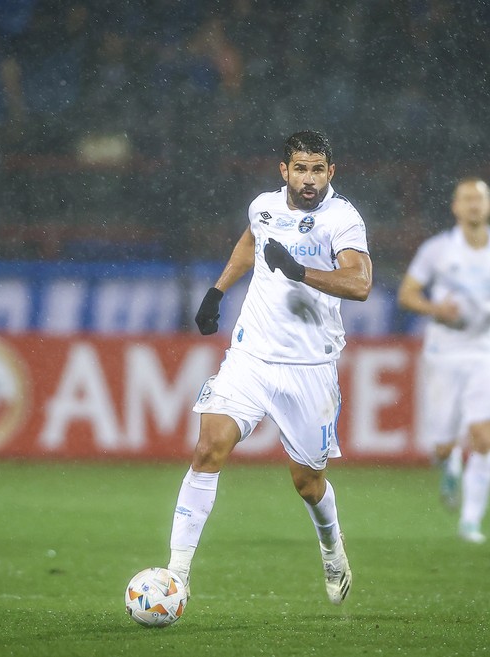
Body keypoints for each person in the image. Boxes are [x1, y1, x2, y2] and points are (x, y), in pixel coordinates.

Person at [167, 130, 372, 605]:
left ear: (331, 173)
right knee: (209, 447)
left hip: (310, 367)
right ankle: (177, 573)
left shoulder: (342, 219)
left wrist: (300, 272)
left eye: (317, 169)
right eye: (300, 168)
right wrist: (217, 291)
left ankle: (331, 547)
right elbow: (250, 243)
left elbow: (360, 284)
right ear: (284, 171)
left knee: (307, 482)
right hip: (251, 356)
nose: (309, 179)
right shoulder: (264, 206)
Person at [397, 177, 490, 544]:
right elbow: (407, 294)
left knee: (484, 437)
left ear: (489, 206)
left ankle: (470, 522)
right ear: (455, 207)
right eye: (466, 199)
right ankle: (450, 463)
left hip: (485, 351)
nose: (473, 205)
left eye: (480, 199)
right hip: (444, 351)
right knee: (442, 444)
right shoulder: (437, 250)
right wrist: (434, 308)